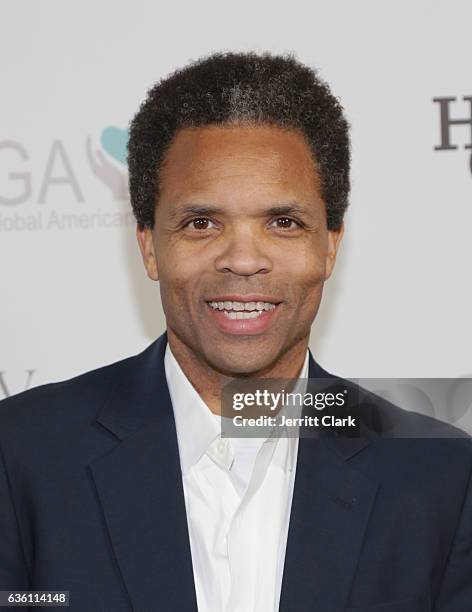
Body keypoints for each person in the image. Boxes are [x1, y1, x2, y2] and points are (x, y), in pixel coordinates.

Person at [0, 51, 471, 612]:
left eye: (283, 223)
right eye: (202, 223)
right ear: (149, 245)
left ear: (330, 246)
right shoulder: (22, 455)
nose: (243, 259)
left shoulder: (438, 477)